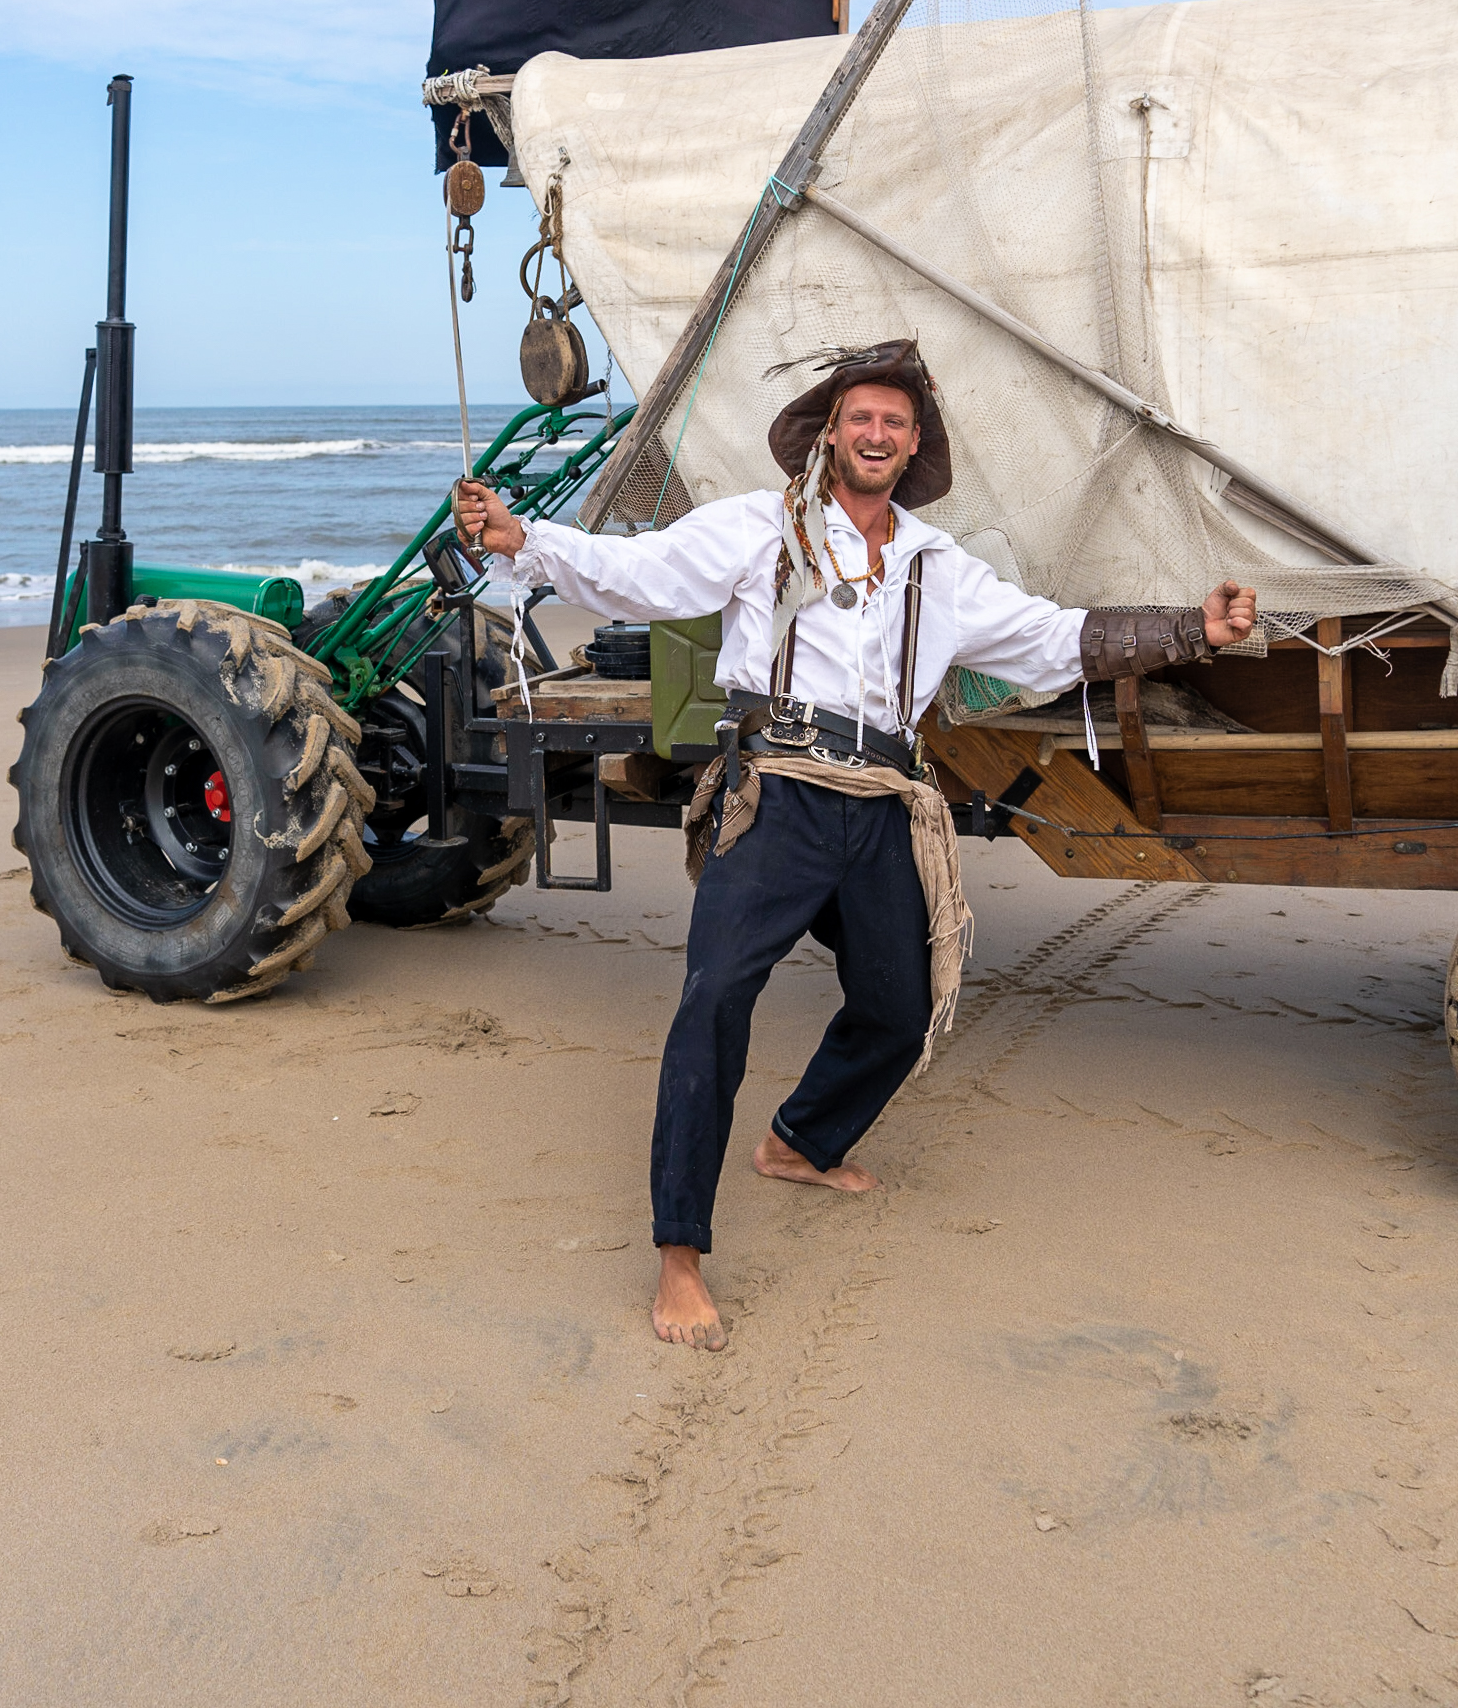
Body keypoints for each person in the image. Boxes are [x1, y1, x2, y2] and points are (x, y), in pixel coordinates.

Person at [456, 340, 1257, 1350]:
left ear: (914, 446)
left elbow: (1052, 636)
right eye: (860, 418)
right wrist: (523, 539)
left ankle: (799, 1140)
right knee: (714, 1001)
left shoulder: (937, 565)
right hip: (775, 793)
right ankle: (679, 1254)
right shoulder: (761, 526)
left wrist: (1193, 631)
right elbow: (640, 574)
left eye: (894, 422)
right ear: (830, 434)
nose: (876, 433)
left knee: (899, 1006)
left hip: (881, 804)